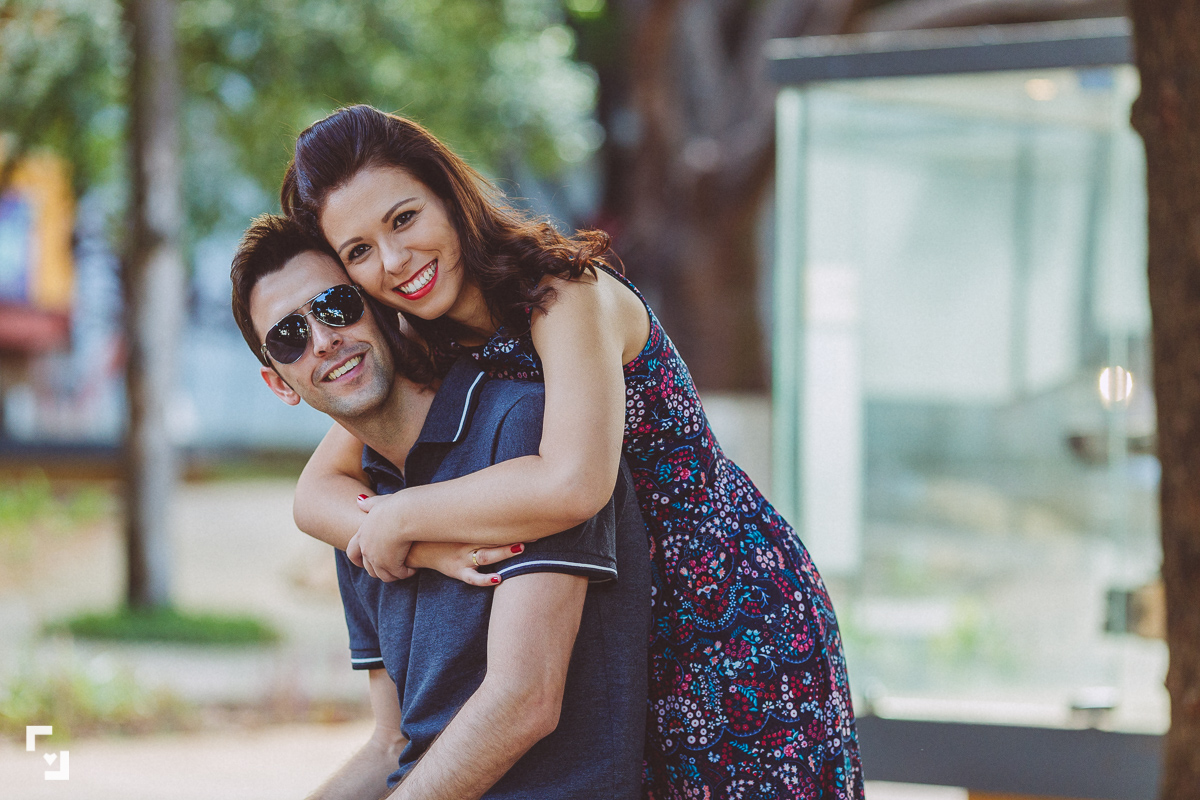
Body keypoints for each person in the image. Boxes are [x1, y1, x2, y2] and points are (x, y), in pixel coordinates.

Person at [283, 104, 864, 799]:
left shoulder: (562, 294)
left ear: (449, 193)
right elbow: (315, 494)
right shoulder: (423, 336)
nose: (394, 261)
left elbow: (573, 483)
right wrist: (425, 546)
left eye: (404, 219)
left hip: (726, 610)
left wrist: (402, 518)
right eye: (358, 252)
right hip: (621, 625)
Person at [230, 214, 651, 800]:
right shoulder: (360, 503)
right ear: (280, 384)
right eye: (288, 338)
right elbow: (392, 744)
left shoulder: (522, 428)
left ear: (381, 307)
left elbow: (525, 701)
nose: (322, 340)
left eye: (334, 306)